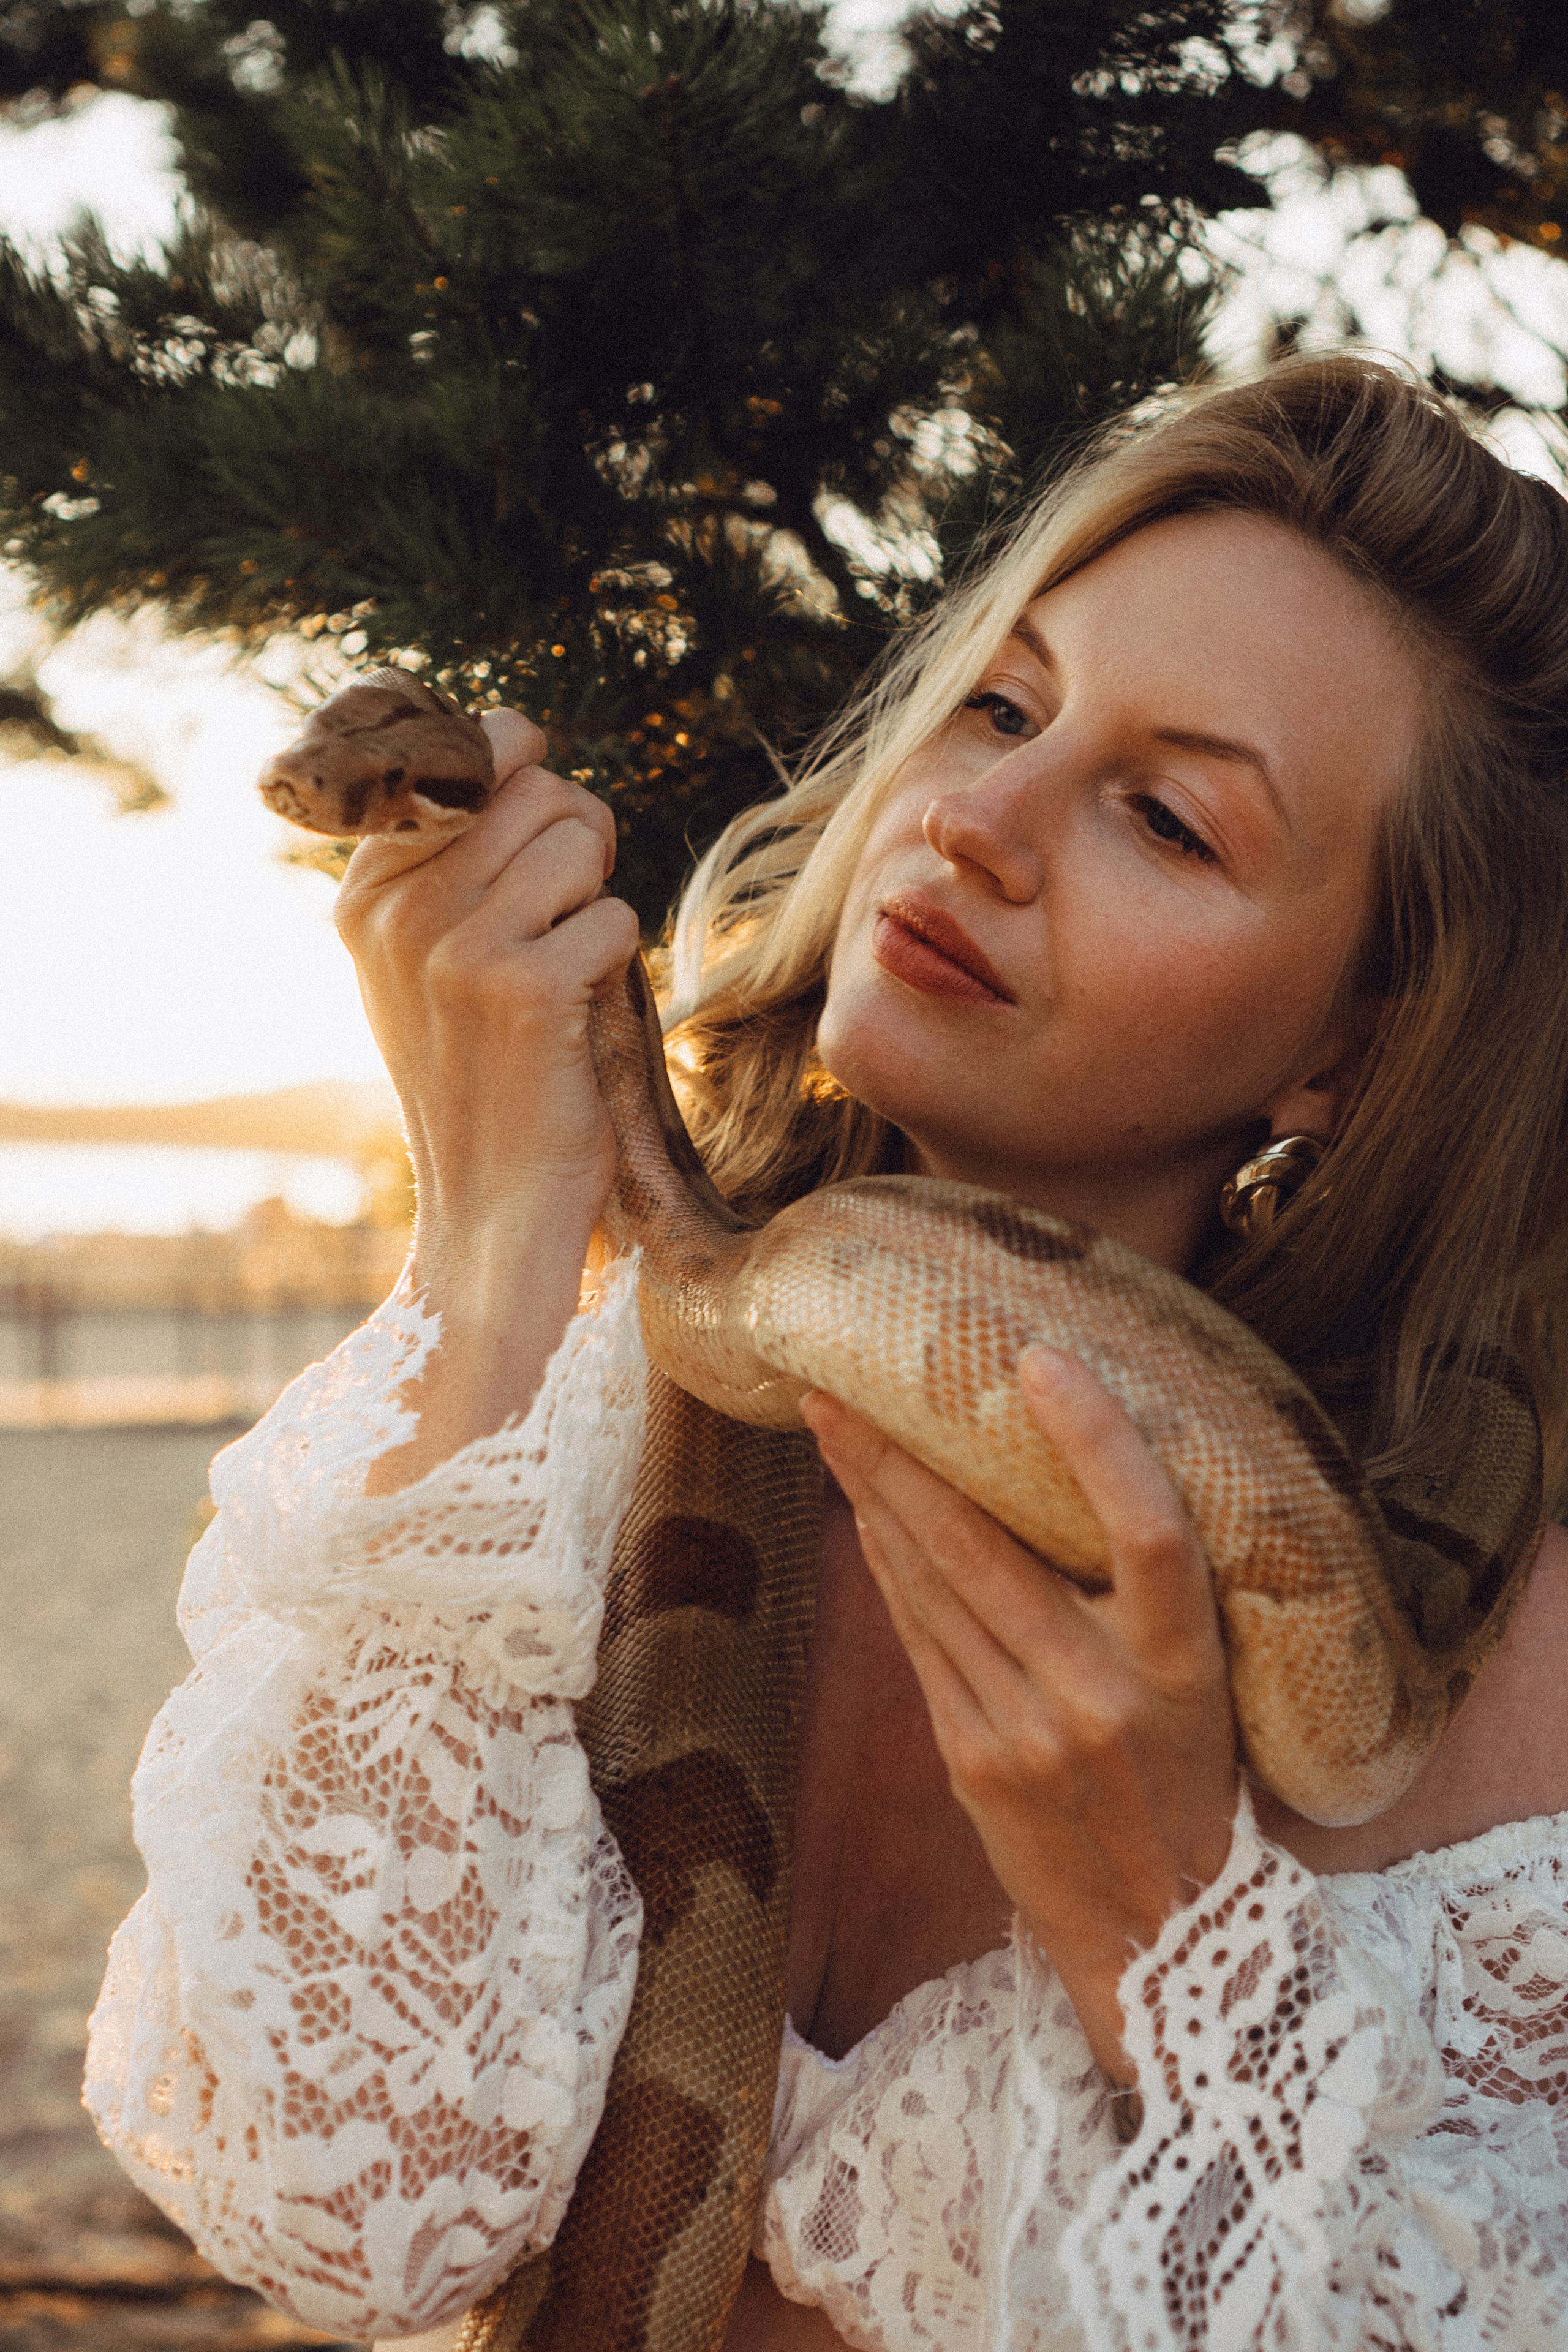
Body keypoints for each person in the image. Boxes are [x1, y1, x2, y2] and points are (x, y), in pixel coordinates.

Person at [85, 354, 1568, 2351]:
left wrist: (1181, 1945)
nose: (980, 819)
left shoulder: (1502, 1651)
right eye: (1003, 703)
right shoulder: (560, 1442)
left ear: (1353, 1046)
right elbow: (353, 2213)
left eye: (1165, 816)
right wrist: (494, 1242)